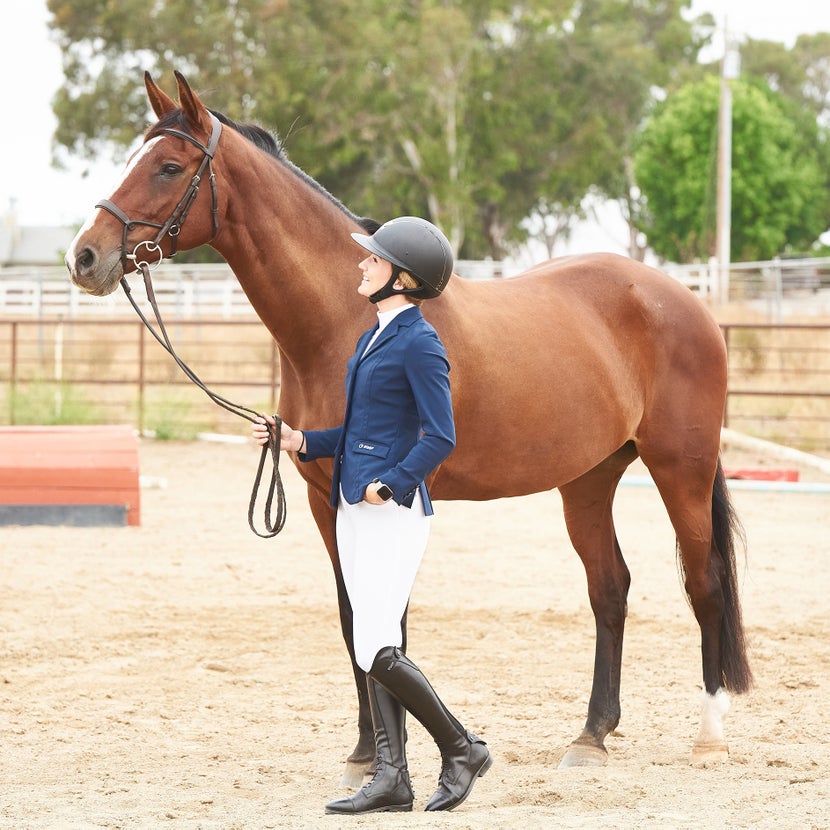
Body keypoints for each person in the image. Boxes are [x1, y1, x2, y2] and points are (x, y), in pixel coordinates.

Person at [253, 216, 492, 814]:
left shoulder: (421, 343)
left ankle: (461, 748)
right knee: (369, 644)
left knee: (381, 647)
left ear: (403, 279)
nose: (362, 265)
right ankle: (393, 776)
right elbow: (360, 428)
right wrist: (300, 440)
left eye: (374, 261)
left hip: (389, 511)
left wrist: (393, 484)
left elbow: (441, 435)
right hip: (352, 505)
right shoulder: (372, 336)